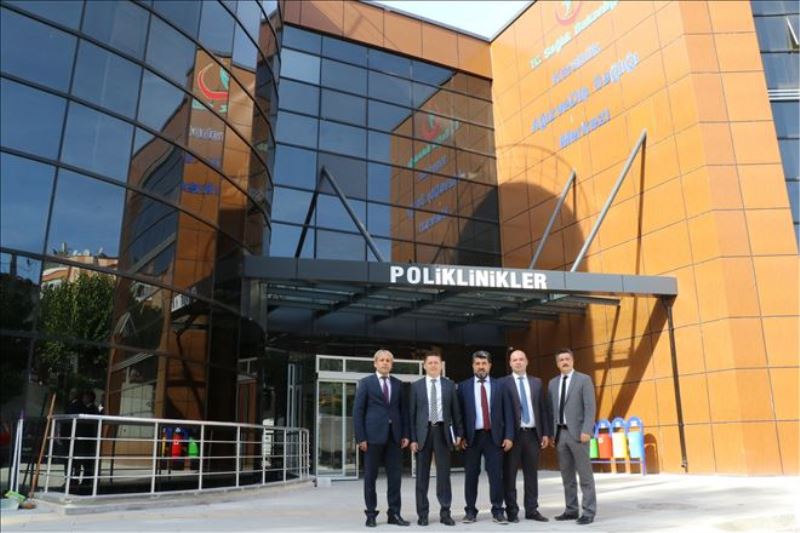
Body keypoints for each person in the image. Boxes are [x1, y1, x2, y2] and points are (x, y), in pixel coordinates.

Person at [353, 349, 410, 528]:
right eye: (382, 360)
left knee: (395, 479)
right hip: (372, 438)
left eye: (388, 361)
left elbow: (403, 411)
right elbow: (358, 412)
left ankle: (394, 513)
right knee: (370, 477)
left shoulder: (398, 384)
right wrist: (361, 437)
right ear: (375, 363)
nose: (385, 363)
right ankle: (371, 514)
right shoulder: (366, 383)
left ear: (391, 364)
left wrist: (406, 434)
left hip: (395, 437)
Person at [457, 350, 514, 524]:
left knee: (496, 475)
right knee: (471, 476)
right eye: (477, 364)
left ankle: (497, 511)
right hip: (471, 438)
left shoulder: (500, 386)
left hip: (494, 437)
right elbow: (459, 414)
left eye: (484, 363)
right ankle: (470, 511)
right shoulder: (463, 387)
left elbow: (508, 412)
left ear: (490, 365)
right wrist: (461, 435)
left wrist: (509, 436)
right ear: (472, 366)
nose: (481, 367)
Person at [409, 352, 462, 526]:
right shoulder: (416, 386)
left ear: (441, 366)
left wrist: (459, 433)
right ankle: (422, 514)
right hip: (423, 435)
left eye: (436, 363)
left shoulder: (449, 385)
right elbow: (412, 415)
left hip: (442, 433)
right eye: (430, 363)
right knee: (421, 476)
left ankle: (445, 513)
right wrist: (413, 439)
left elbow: (456, 412)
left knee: (444, 475)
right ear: (424, 365)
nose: (433, 365)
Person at [548, 348, 597, 525]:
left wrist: (587, 430)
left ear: (573, 360)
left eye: (567, 359)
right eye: (561, 360)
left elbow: (590, 407)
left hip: (578, 434)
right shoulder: (552, 383)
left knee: (585, 475)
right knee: (567, 476)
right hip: (560, 434)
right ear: (557, 363)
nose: (564, 362)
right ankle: (571, 509)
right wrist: (551, 433)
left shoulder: (584, 380)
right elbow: (551, 410)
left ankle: (589, 511)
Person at [502, 349, 552, 523]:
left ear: (527, 361)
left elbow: (543, 409)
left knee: (531, 475)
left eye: (521, 359)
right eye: (514, 360)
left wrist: (545, 432)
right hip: (513, 436)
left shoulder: (536, 382)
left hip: (532, 435)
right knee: (509, 475)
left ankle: (532, 510)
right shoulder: (503, 383)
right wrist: (505, 435)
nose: (518, 362)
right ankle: (512, 511)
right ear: (510, 363)